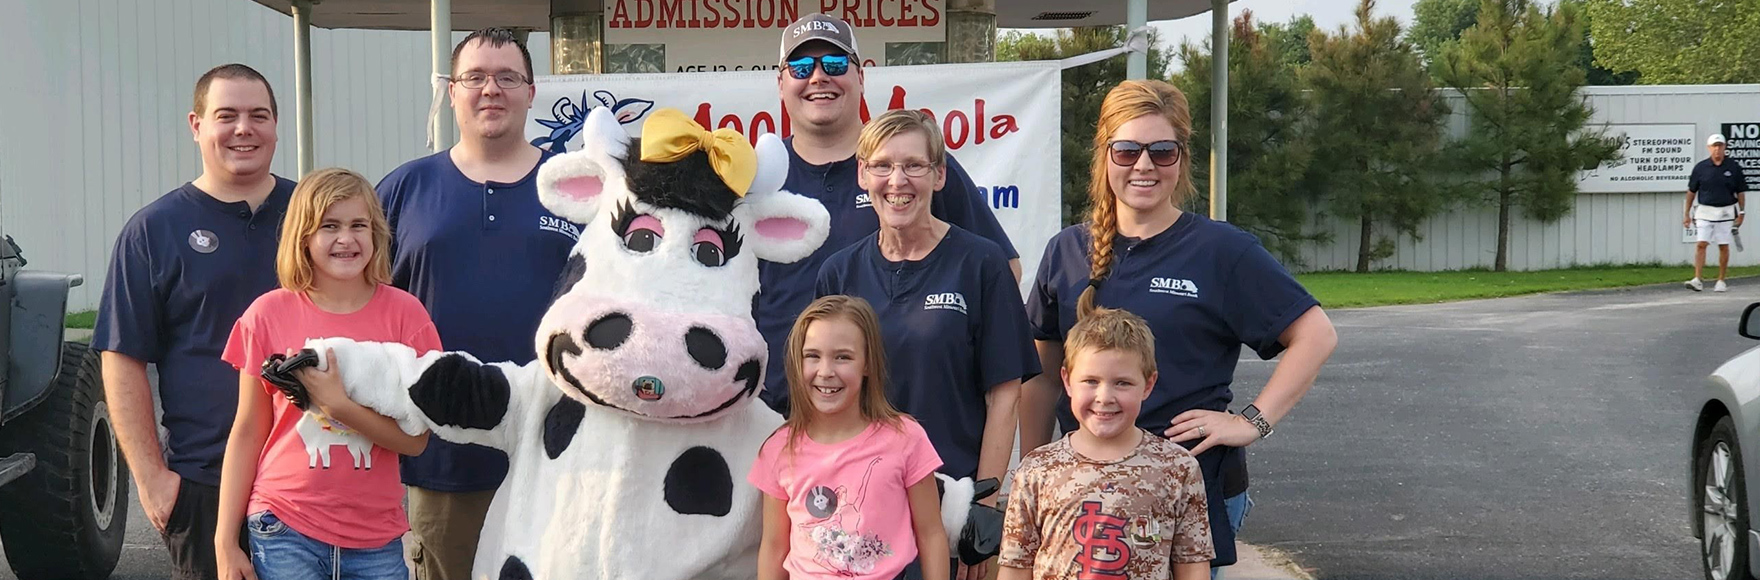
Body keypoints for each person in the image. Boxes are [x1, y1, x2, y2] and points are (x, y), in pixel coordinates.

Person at [1018, 80, 1338, 578]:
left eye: (1161, 151)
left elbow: (1316, 335)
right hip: (1081, 499)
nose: (1143, 165)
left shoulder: (1222, 251)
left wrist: (1250, 422)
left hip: (1187, 493)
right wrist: (1033, 473)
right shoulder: (1066, 250)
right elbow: (1040, 376)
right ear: (1104, 155)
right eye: (1126, 150)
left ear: (1181, 159)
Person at [374, 28, 576, 580]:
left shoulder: (575, 188)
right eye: (475, 77)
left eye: (508, 77)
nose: (492, 89)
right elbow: (362, 307)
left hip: (555, 451)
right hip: (440, 458)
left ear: (532, 92)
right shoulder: (403, 190)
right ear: (451, 90)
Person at [756, 12, 1021, 417]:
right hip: (771, 418)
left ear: (860, 77)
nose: (818, 78)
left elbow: (1003, 271)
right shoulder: (757, 178)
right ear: (781, 81)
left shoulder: (908, 167)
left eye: (835, 64)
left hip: (895, 419)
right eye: (801, 66)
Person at [93, 63, 296, 580]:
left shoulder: (313, 217)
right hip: (204, 482)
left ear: (276, 124)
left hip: (313, 480)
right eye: (226, 115)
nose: (243, 129)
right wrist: (152, 481)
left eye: (259, 115)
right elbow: (122, 359)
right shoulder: (154, 231)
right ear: (196, 124)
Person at [815, 110, 1038, 579]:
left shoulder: (982, 263)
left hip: (949, 503)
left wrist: (983, 503)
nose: (897, 180)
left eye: (914, 165)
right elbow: (824, 394)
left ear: (939, 176)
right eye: (882, 166)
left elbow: (1004, 395)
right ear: (863, 174)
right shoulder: (838, 273)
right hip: (859, 506)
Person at [214, 168, 440, 580]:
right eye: (329, 226)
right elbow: (247, 430)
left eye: (359, 225)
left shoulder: (408, 317)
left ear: (377, 234)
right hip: (284, 525)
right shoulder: (266, 315)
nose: (346, 238)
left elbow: (417, 442)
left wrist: (337, 405)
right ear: (303, 236)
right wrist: (224, 541)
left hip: (377, 537)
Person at [999, 308, 1213, 580]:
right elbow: (1015, 567)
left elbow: (1193, 565)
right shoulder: (1038, 469)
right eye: (1090, 381)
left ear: (1148, 385)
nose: (1105, 396)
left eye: (1122, 383)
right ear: (1067, 380)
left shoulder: (1177, 467)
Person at [750, 295, 950, 580]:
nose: (826, 371)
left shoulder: (906, 438)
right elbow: (773, 547)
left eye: (842, 357)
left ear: (867, 364)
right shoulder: (779, 448)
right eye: (813, 356)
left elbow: (931, 534)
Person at [1684, 133, 1749, 292]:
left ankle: (1721, 280)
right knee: (1701, 244)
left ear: (1725, 147)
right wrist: (1686, 213)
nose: (1717, 149)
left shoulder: (1733, 167)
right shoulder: (1700, 168)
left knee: (1723, 246)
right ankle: (1697, 279)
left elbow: (1740, 192)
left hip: (1726, 212)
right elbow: (1692, 191)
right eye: (1714, 146)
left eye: (1720, 146)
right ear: (1709, 148)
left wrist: (1741, 212)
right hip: (1705, 210)